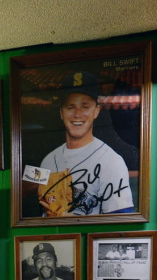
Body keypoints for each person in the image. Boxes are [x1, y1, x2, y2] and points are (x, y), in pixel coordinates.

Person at [38, 73, 133, 216]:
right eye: (70, 107)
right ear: (61, 113)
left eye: (85, 106)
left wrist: (69, 222)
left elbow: (121, 225)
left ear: (96, 111)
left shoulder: (112, 162)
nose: (77, 114)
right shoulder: (48, 161)